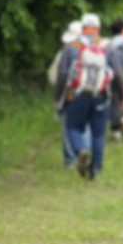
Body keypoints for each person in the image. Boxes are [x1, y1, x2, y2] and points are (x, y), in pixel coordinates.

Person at [53, 13, 123, 180]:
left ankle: (80, 150)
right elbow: (119, 74)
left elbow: (62, 76)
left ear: (82, 28)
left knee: (73, 127)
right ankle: (95, 171)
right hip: (101, 96)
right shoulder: (107, 49)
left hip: (76, 96)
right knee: (99, 134)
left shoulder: (71, 49)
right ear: (98, 29)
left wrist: (57, 98)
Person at [49, 20, 82, 168]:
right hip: (89, 93)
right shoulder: (91, 48)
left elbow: (61, 75)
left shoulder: (67, 51)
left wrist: (56, 98)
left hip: (70, 92)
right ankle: (82, 150)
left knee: (68, 123)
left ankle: (70, 159)